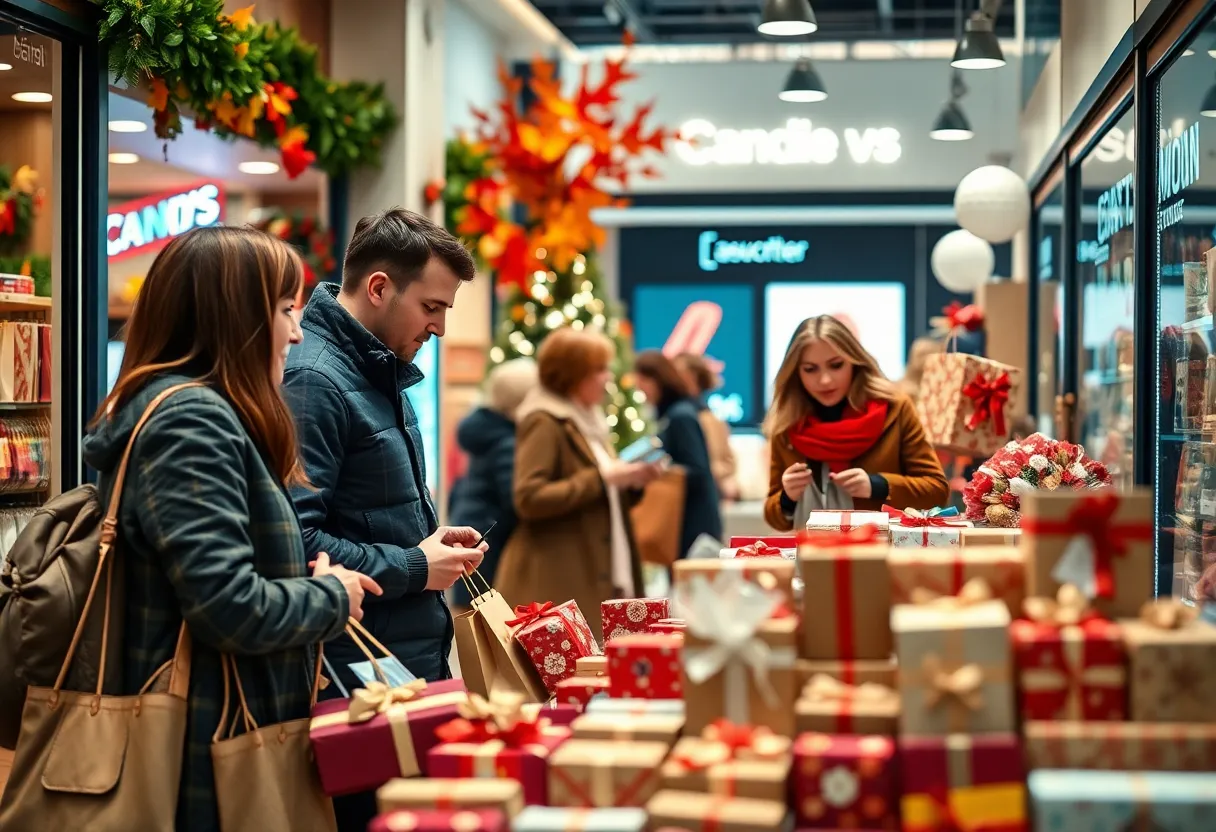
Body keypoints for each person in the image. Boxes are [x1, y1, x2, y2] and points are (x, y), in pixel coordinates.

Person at [81, 227, 379, 832]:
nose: (297, 332)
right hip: (203, 751)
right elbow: (227, 607)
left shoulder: (198, 413)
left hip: (216, 733)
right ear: (234, 316)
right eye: (286, 310)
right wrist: (331, 596)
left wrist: (298, 577)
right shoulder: (192, 421)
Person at [495, 327, 662, 641]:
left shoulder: (589, 421)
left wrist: (631, 482)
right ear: (571, 374)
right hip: (560, 576)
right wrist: (604, 477)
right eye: (598, 370)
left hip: (597, 567)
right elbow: (529, 497)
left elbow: (600, 498)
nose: (607, 378)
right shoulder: (544, 420)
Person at [763, 315, 949, 531]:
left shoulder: (895, 409)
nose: (825, 380)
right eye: (810, 369)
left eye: (835, 365)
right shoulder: (787, 422)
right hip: (814, 556)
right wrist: (787, 497)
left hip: (882, 554)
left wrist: (878, 485)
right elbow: (775, 518)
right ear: (795, 372)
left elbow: (937, 492)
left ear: (854, 361)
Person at [448, 357, 539, 610]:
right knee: (486, 619)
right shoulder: (507, 441)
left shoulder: (488, 429)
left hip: (477, 529)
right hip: (491, 540)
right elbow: (515, 500)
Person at [635, 351, 723, 558]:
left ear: (657, 380)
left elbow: (698, 469)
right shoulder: (674, 414)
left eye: (643, 382)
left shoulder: (680, 416)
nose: (641, 390)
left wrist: (657, 469)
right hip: (684, 519)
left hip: (692, 523)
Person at [673, 352, 739, 501]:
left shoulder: (713, 421)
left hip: (706, 495)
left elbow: (728, 462)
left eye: (682, 375)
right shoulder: (669, 416)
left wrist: (712, 471)